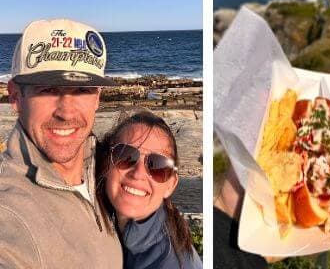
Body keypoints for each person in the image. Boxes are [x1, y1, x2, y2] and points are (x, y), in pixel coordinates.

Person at [0, 19, 123, 267]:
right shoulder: (10, 212)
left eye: (81, 90)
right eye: (48, 90)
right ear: (15, 96)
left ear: (97, 97)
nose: (66, 113)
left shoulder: (109, 170)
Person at [95, 110, 202, 268]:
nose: (138, 174)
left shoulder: (169, 262)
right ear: (106, 165)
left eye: (158, 165)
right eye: (125, 156)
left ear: (170, 185)